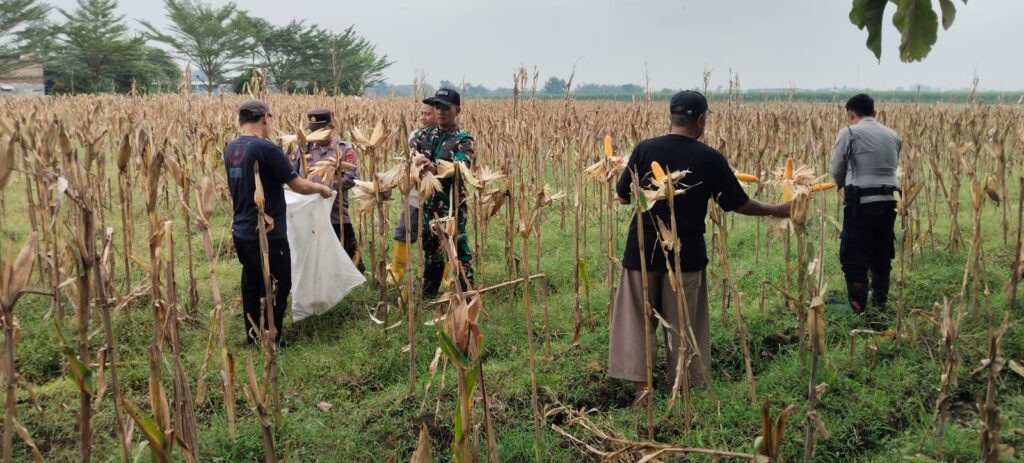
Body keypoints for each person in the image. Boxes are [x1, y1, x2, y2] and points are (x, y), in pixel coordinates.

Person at [608, 90, 791, 406]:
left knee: (637, 322)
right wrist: (777, 209)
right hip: (687, 256)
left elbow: (623, 197)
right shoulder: (709, 158)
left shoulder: (644, 149)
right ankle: (683, 392)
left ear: (671, 116)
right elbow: (738, 203)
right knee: (685, 325)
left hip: (641, 252)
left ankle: (642, 394)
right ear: (702, 120)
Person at [224, 99, 333, 345]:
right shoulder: (267, 148)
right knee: (279, 284)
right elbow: (299, 185)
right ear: (265, 118)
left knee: (251, 282)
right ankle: (273, 336)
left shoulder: (231, 148)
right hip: (268, 232)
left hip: (241, 230)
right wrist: (321, 189)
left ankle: (253, 335)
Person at [829, 93, 902, 313]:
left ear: (851, 113)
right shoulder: (893, 135)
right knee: (882, 250)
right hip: (891, 201)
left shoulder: (849, 132)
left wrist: (842, 185)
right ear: (874, 113)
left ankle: (857, 305)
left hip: (862, 203)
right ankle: (880, 301)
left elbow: (836, 168)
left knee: (853, 254)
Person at [411, 89, 475, 298]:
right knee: (431, 249)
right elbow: (412, 146)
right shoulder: (424, 135)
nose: (440, 111)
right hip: (428, 203)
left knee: (458, 250)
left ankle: (466, 295)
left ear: (457, 111)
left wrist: (434, 166)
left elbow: (462, 166)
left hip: (451, 205)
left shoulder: (463, 139)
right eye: (437, 107)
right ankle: (428, 294)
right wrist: (415, 158)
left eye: (446, 107)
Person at [289, 108, 365, 273]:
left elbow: (351, 178)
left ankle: (355, 272)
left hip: (336, 209)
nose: (314, 135)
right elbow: (290, 173)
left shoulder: (344, 149)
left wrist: (324, 189)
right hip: (307, 210)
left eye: (320, 131)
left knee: (346, 244)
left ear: (331, 127)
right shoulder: (303, 148)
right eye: (312, 131)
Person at [387, 102, 436, 284]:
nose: (423, 117)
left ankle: (444, 278)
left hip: (438, 198)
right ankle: (397, 272)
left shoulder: (447, 137)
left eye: (427, 114)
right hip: (415, 196)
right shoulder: (416, 135)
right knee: (403, 231)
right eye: (421, 114)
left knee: (438, 238)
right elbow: (413, 154)